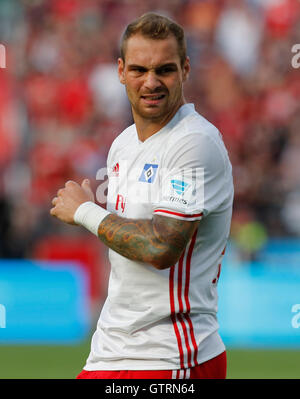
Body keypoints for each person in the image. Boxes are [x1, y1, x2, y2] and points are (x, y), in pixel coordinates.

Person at [50, 12, 234, 379]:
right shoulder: (122, 145)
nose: (151, 82)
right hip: (109, 351)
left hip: (171, 355)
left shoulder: (194, 144)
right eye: (138, 70)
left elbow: (161, 248)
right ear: (120, 71)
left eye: (164, 69)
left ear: (185, 69)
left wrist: (87, 212)